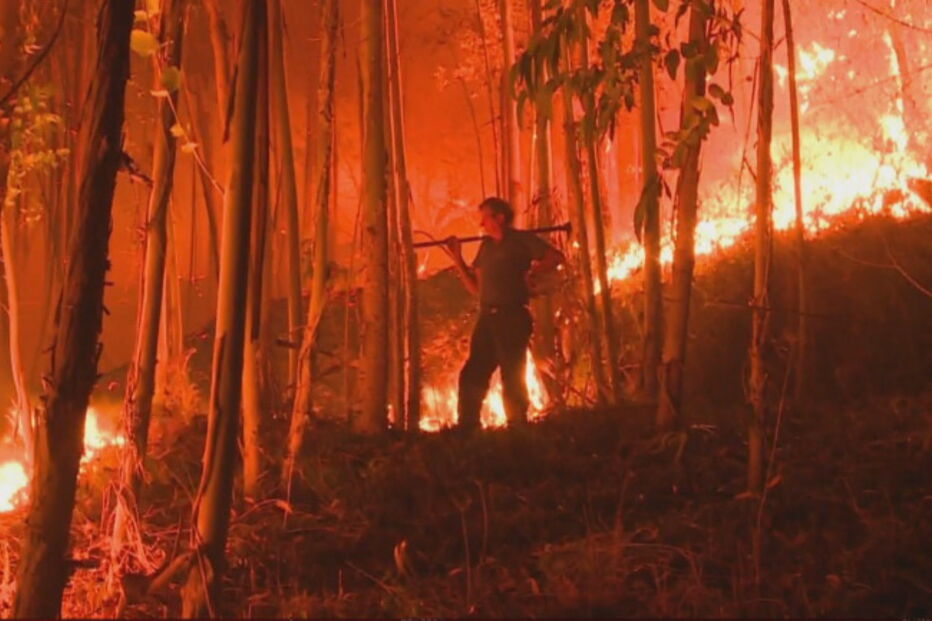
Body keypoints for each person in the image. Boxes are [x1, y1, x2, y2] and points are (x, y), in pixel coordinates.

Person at [444, 197, 565, 431]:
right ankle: (468, 425)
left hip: (513, 317)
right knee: (474, 371)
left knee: (512, 372)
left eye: (486, 218)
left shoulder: (521, 240)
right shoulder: (486, 247)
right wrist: (457, 258)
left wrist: (533, 272)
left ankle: (516, 425)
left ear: (500, 218)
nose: (482, 224)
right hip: (488, 317)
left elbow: (555, 257)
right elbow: (476, 289)